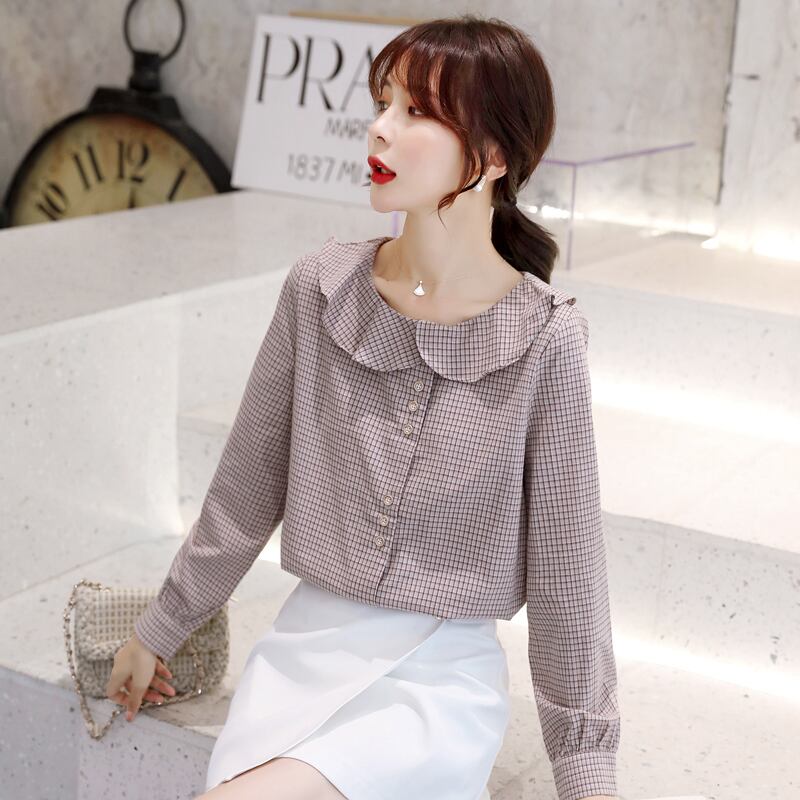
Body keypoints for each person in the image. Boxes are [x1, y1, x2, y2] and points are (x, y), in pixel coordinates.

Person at [106, 13, 621, 800]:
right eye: (383, 103)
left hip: (437, 679)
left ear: (491, 156)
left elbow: (568, 576)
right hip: (302, 650)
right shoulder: (321, 290)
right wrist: (161, 627)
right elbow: (245, 488)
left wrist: (587, 775)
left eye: (416, 112)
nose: (379, 129)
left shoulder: (545, 341)